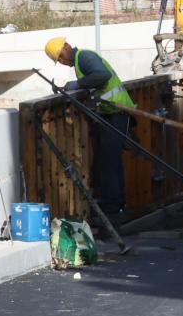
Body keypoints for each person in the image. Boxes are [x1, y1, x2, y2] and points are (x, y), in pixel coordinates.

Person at [44, 37, 134, 217]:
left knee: (110, 163)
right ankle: (112, 206)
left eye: (60, 57)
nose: (61, 62)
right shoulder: (79, 62)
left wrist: (77, 85)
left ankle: (113, 209)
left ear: (67, 47)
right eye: (59, 61)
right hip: (109, 113)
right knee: (104, 162)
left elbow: (102, 76)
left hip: (116, 112)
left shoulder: (84, 57)